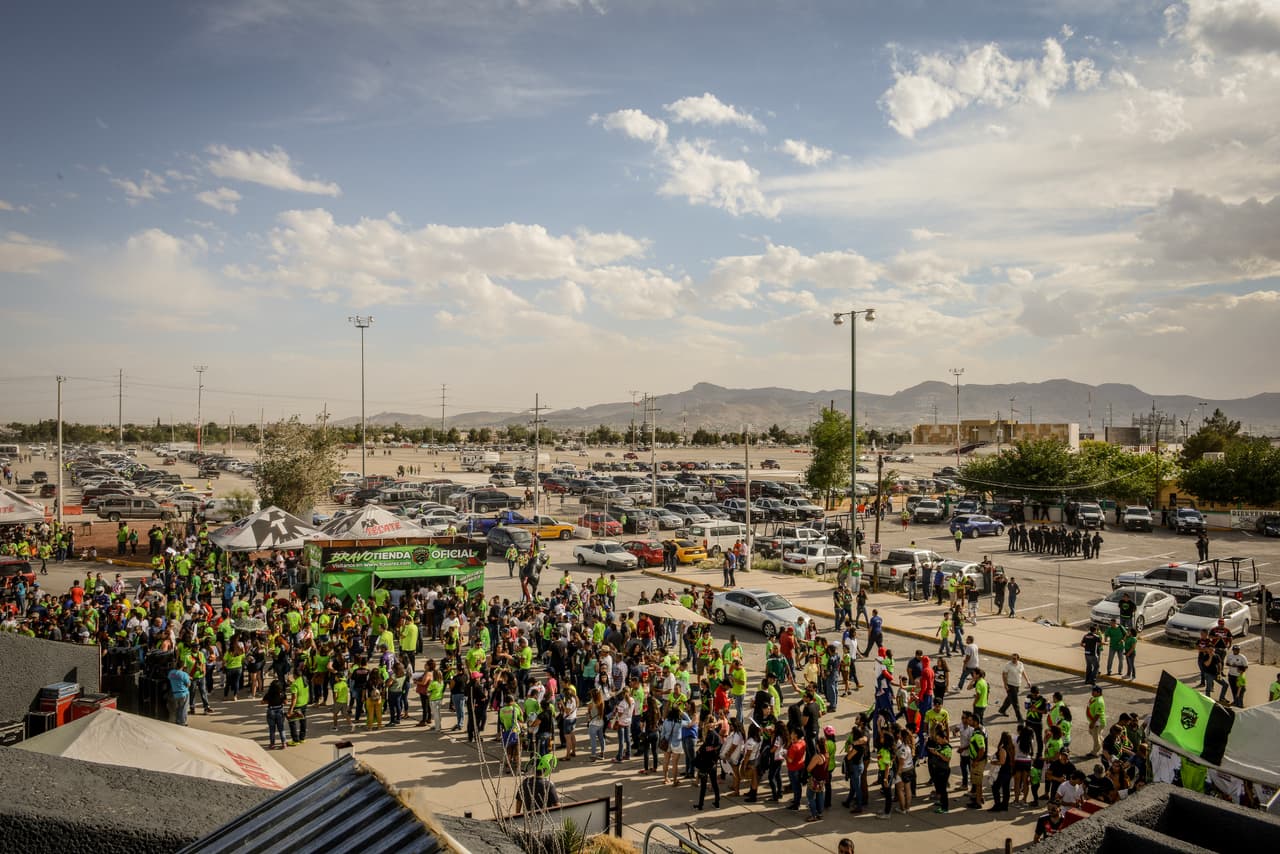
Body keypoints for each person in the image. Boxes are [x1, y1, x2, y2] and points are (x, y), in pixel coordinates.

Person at [694, 712, 722, 810]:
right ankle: (717, 802)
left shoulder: (710, 735)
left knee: (703, 785)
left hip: (705, 763)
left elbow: (707, 749)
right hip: (713, 763)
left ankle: (700, 805)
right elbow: (716, 747)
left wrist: (700, 751)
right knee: (714, 784)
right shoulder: (717, 736)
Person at [998, 654, 1029, 723]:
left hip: (1017, 685)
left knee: (1009, 699)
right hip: (1010, 685)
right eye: (1012, 658)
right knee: (1015, 703)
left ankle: (1002, 710)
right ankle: (1019, 718)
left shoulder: (1021, 664)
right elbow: (1004, 674)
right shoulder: (1008, 665)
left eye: (1014, 658)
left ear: (1018, 659)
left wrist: (1027, 681)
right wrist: (1005, 685)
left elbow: (1023, 672)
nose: (1013, 660)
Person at [263, 679, 286, 748]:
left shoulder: (269, 694)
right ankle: (283, 743)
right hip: (280, 710)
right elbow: (286, 702)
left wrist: (269, 702)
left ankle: (272, 744)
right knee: (281, 728)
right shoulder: (282, 694)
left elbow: (262, 702)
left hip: (271, 710)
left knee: (272, 729)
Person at [167, 661, 192, 726]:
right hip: (184, 693)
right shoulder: (184, 674)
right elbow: (188, 684)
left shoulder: (171, 673)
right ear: (182, 666)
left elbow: (169, 678)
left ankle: (177, 720)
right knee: (184, 708)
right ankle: (183, 722)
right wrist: (188, 678)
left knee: (177, 708)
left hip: (175, 693)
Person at [1086, 686, 1106, 757]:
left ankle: (1094, 752)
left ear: (1098, 692)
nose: (1092, 692)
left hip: (1097, 722)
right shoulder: (1094, 698)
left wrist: (1092, 723)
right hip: (1093, 721)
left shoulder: (1099, 701)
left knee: (1096, 737)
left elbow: (1098, 714)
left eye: (1094, 691)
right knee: (1094, 734)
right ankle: (1105, 745)